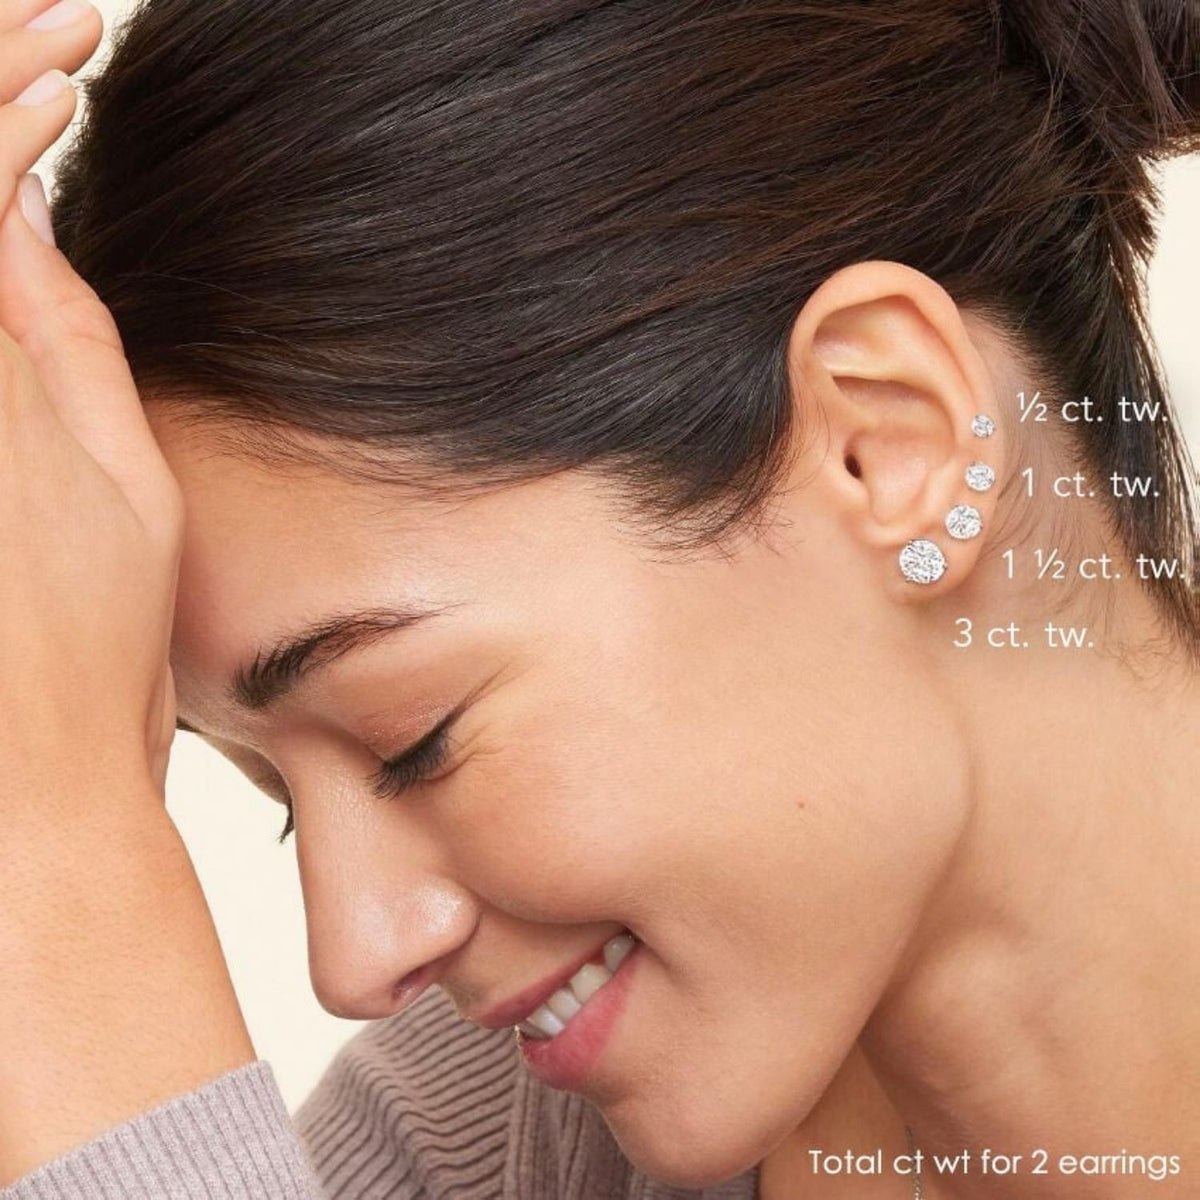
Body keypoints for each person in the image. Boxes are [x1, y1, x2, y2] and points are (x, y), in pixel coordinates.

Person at [0, 1, 1197, 1198]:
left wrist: (71, 901)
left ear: (889, 445)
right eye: (281, 804)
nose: (354, 958)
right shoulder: (464, 1150)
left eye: (418, 743)